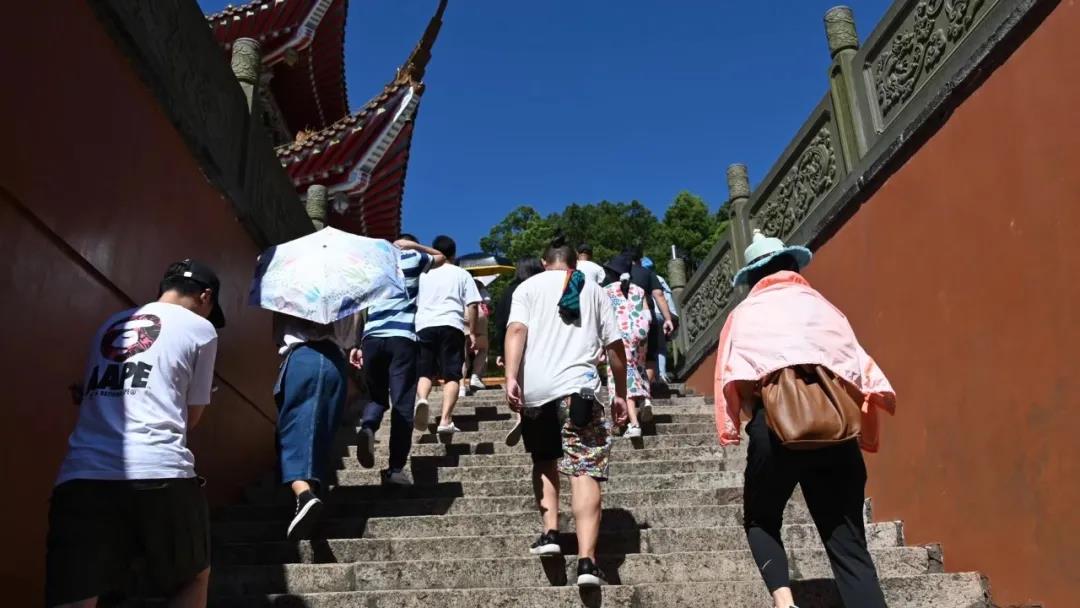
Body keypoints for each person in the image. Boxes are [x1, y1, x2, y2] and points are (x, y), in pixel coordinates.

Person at [715, 230, 896, 608]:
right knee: (849, 546)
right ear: (792, 266)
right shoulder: (825, 308)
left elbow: (734, 383)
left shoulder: (743, 315)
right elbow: (858, 371)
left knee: (761, 520)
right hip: (835, 429)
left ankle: (785, 603)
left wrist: (740, 420)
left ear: (752, 277)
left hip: (773, 430)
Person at [46, 259, 224, 608]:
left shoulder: (111, 323)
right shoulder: (201, 329)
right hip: (160, 469)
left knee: (76, 592)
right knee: (190, 578)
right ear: (205, 296)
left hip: (83, 475)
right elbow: (190, 418)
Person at [504, 237, 629, 588]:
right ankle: (587, 562)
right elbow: (615, 347)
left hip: (536, 394)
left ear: (545, 262)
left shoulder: (526, 287)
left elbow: (516, 330)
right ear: (574, 264)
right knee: (584, 470)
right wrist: (620, 393)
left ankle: (550, 534)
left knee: (544, 460)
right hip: (580, 393)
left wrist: (511, 376)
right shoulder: (594, 290)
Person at [355, 234, 445, 486]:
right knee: (403, 403)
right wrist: (416, 246)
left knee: (376, 397)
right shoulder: (412, 258)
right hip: (402, 338)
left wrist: (356, 343)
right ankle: (395, 469)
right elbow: (441, 257)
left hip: (371, 339)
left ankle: (368, 427)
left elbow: (360, 309)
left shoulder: (372, 267)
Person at [273, 306, 364, 540]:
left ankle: (304, 494)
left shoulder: (291, 291)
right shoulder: (345, 294)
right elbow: (349, 337)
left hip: (304, 357)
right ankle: (310, 502)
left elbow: (278, 331)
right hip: (335, 363)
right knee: (320, 433)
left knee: (294, 430)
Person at [414, 235, 482, 434]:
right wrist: (473, 332)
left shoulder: (423, 274)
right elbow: (473, 305)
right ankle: (445, 420)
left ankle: (423, 399)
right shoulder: (462, 274)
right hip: (451, 324)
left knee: (425, 371)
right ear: (454, 253)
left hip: (424, 325)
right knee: (452, 374)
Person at [493, 257, 545, 446]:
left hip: (514, 342)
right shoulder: (541, 289)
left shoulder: (509, 291)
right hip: (540, 341)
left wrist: (501, 350)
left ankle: (520, 414)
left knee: (517, 378)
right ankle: (536, 410)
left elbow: (501, 323)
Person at [601, 254, 651, 438]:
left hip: (618, 337)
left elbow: (602, 319)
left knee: (623, 378)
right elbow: (647, 315)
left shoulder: (606, 291)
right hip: (640, 336)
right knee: (638, 370)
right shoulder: (639, 290)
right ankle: (645, 399)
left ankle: (634, 424)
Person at [625, 246, 675, 417]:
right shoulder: (647, 273)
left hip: (625, 320)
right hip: (647, 319)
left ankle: (632, 397)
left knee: (629, 359)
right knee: (650, 358)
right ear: (639, 259)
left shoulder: (617, 273)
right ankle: (645, 396)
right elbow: (659, 294)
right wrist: (668, 318)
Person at [640, 256, 679, 383]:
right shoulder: (659, 279)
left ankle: (647, 376)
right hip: (662, 315)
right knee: (660, 347)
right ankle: (661, 374)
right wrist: (671, 316)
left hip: (647, 314)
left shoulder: (639, 278)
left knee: (647, 348)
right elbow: (666, 297)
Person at [462, 278, 493, 395]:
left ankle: (461, 385)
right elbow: (487, 299)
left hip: (461, 313)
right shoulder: (479, 284)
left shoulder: (458, 279)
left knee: (462, 352)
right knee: (483, 348)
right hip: (477, 313)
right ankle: (475, 376)